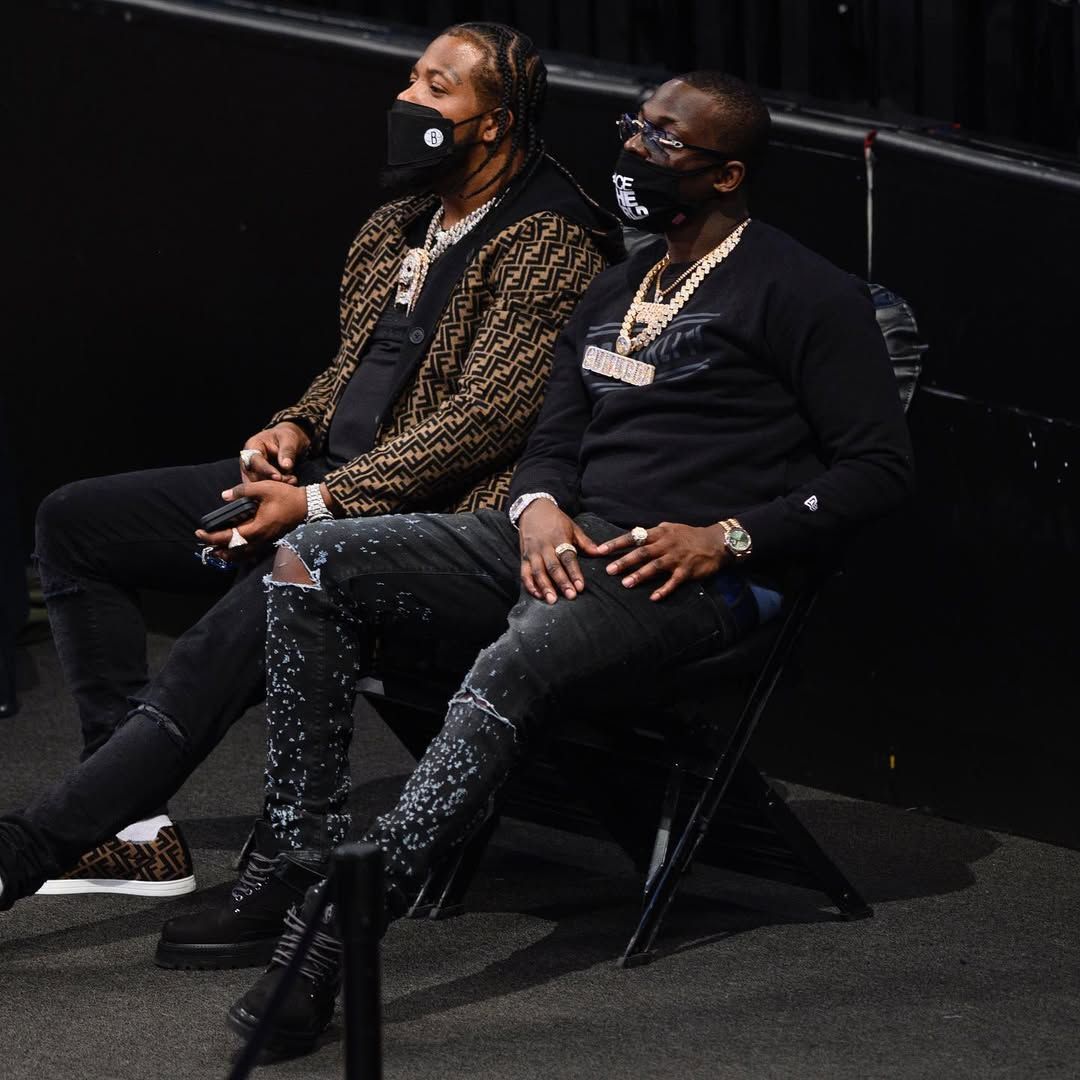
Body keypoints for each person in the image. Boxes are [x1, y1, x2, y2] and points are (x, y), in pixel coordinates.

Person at [171, 68, 914, 1057]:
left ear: (728, 173)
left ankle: (326, 941)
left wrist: (728, 535)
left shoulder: (806, 293)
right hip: (566, 538)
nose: (637, 153)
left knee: (512, 665)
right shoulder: (617, 284)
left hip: (689, 572)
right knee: (310, 556)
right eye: (635, 128)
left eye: (665, 142)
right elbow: (555, 440)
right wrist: (536, 508)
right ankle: (303, 854)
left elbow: (879, 468)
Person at [0, 23, 620, 902]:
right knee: (77, 523)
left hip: (422, 521)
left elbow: (485, 422)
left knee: (240, 618)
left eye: (438, 88)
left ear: (495, 122)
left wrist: (323, 502)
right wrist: (290, 429)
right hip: (326, 478)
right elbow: (355, 368)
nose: (408, 100)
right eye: (412, 78)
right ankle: (132, 825)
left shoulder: (550, 239)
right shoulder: (398, 222)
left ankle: (33, 845)